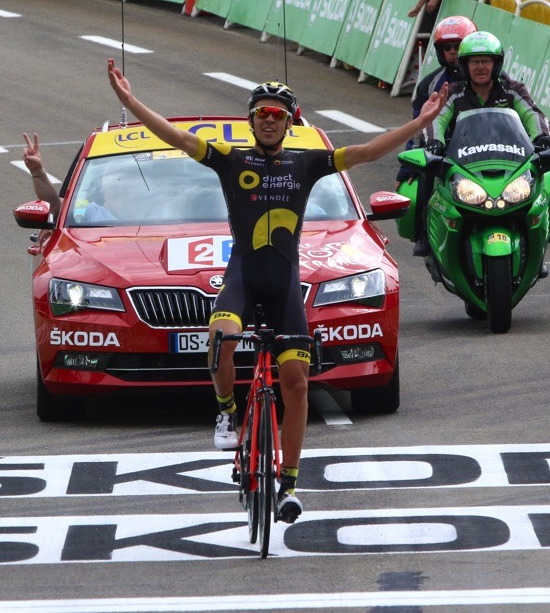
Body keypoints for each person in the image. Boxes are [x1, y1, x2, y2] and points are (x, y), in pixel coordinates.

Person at [106, 58, 448, 523]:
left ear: (290, 123)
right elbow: (177, 138)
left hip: (285, 284)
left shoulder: (306, 162)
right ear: (251, 121)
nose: (269, 120)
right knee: (221, 339)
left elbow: (368, 152)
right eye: (262, 113)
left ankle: (289, 484)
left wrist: (421, 122)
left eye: (278, 115)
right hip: (243, 277)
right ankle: (226, 411)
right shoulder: (231, 160)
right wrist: (131, 103)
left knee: (297, 383)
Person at [425, 31, 550, 275]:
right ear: (465, 66)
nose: (481, 67)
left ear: (496, 64)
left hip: (510, 163)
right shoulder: (453, 92)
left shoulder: (513, 89)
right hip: (464, 165)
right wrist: (434, 143)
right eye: (474, 61)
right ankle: (426, 238)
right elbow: (436, 120)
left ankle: (540, 243)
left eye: (486, 61)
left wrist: (542, 137)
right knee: (427, 178)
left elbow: (532, 114)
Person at [396, 15, 478, 256]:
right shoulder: (430, 84)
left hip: (487, 146)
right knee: (425, 176)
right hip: (444, 150)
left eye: (457, 46)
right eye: (447, 48)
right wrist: (408, 167)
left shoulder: (493, 78)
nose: (452, 52)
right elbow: (417, 125)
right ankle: (424, 231)